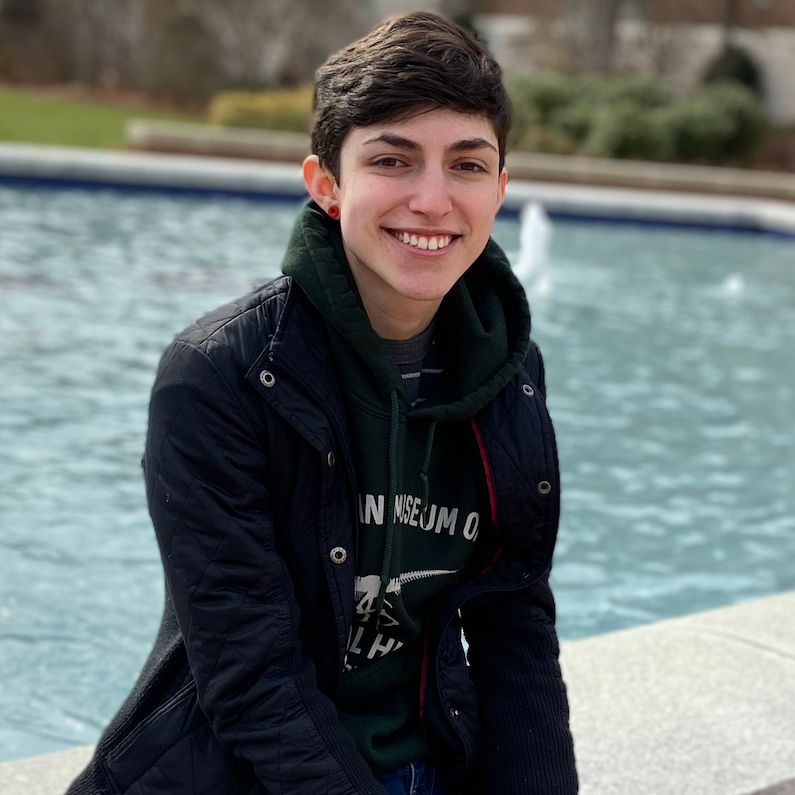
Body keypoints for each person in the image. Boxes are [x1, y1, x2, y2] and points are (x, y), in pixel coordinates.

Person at [67, 11, 577, 795]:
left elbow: (514, 622)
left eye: (466, 166)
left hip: (430, 763)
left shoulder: (508, 369)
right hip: (237, 774)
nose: (433, 199)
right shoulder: (224, 371)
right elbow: (251, 672)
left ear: (500, 189)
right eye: (392, 160)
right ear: (327, 185)